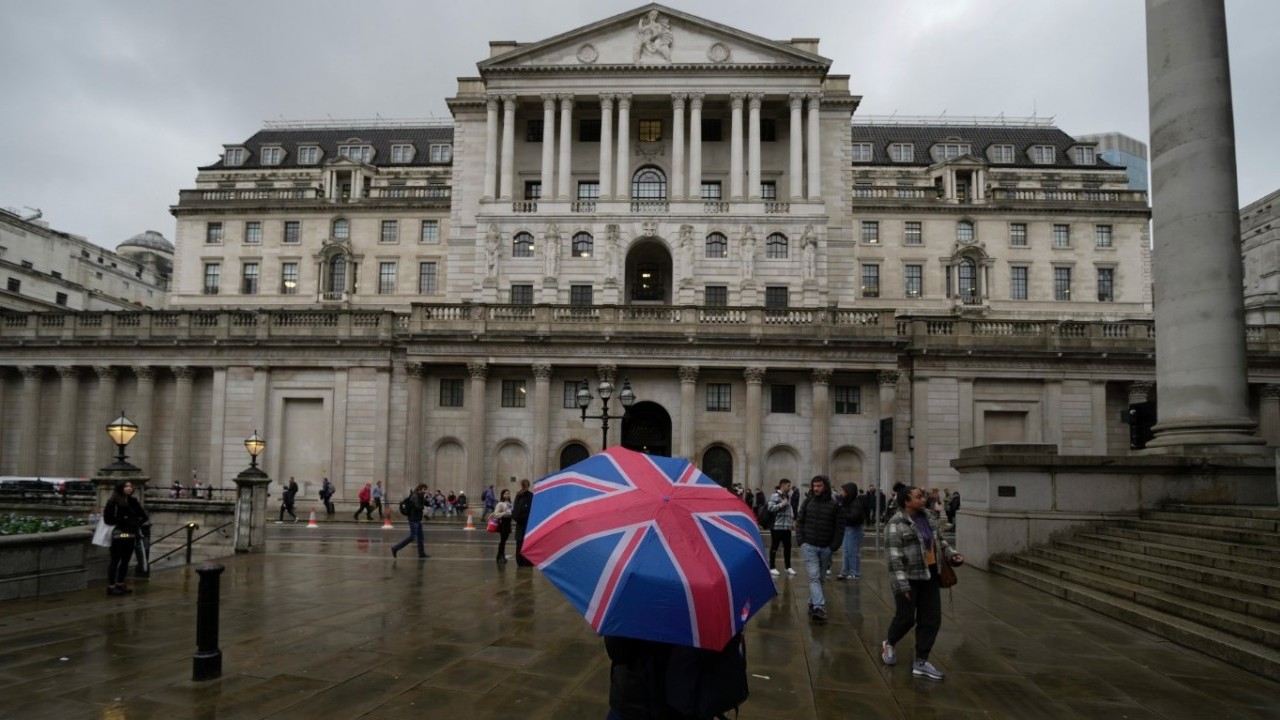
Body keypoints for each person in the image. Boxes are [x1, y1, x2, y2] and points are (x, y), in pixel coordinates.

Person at [881, 485, 965, 681]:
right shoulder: (895, 524)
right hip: (909, 578)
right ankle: (890, 642)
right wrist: (902, 586)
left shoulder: (928, 517)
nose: (923, 499)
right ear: (906, 502)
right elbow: (894, 559)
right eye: (918, 497)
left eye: (923, 496)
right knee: (906, 618)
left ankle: (921, 661)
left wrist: (953, 556)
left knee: (931, 619)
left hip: (930, 575)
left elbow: (940, 542)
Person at [604, 633, 747, 720]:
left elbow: (619, 651)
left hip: (636, 701)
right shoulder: (711, 591)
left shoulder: (634, 592)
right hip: (691, 700)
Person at [795, 475, 844, 623]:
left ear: (825, 487)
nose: (816, 489)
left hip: (826, 547)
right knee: (814, 576)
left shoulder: (835, 505)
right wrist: (801, 541)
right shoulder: (808, 502)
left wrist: (833, 547)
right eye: (814, 486)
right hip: (809, 545)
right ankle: (819, 607)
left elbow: (839, 528)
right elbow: (800, 521)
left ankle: (812, 601)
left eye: (819, 486)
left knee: (820, 578)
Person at [104, 480, 148, 596]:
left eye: (130, 486)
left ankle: (120, 583)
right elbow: (108, 519)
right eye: (125, 486)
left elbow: (143, 516)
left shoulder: (133, 501)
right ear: (120, 488)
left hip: (131, 534)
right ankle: (111, 586)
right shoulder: (113, 502)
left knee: (125, 560)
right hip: (119, 535)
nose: (129, 488)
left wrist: (135, 523)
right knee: (115, 560)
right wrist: (124, 522)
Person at [391, 484, 429, 559]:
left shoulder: (419, 496)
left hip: (418, 519)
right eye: (425, 489)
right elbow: (418, 507)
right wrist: (423, 501)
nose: (426, 491)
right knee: (412, 537)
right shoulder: (415, 496)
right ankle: (395, 548)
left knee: (420, 538)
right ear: (420, 489)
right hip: (413, 520)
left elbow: (422, 505)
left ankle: (421, 554)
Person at [836, 482, 865, 580]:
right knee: (846, 551)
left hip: (854, 529)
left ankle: (854, 572)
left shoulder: (854, 503)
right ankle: (845, 571)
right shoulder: (847, 502)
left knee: (853, 552)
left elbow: (854, 516)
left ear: (849, 492)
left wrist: (842, 514)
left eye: (843, 491)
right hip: (847, 528)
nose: (841, 493)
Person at [767, 479, 795, 577]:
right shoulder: (775, 495)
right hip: (777, 526)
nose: (790, 487)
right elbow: (770, 508)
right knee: (775, 546)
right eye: (788, 485)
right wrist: (781, 504)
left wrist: (792, 521)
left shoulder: (787, 496)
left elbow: (789, 509)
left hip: (786, 527)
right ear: (782, 486)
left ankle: (788, 567)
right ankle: (772, 567)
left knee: (788, 547)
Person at [512, 478, 535, 567]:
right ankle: (527, 561)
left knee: (520, 543)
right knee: (527, 543)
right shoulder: (530, 495)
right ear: (528, 485)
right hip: (528, 523)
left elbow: (515, 512)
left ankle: (520, 561)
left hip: (521, 524)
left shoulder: (518, 496)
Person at [491, 489, 513, 564]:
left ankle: (499, 555)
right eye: (506, 494)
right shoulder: (500, 504)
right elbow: (495, 514)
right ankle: (501, 556)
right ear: (502, 495)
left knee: (505, 540)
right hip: (503, 522)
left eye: (508, 493)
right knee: (503, 540)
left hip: (508, 523)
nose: (507, 495)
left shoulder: (510, 503)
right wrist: (504, 513)